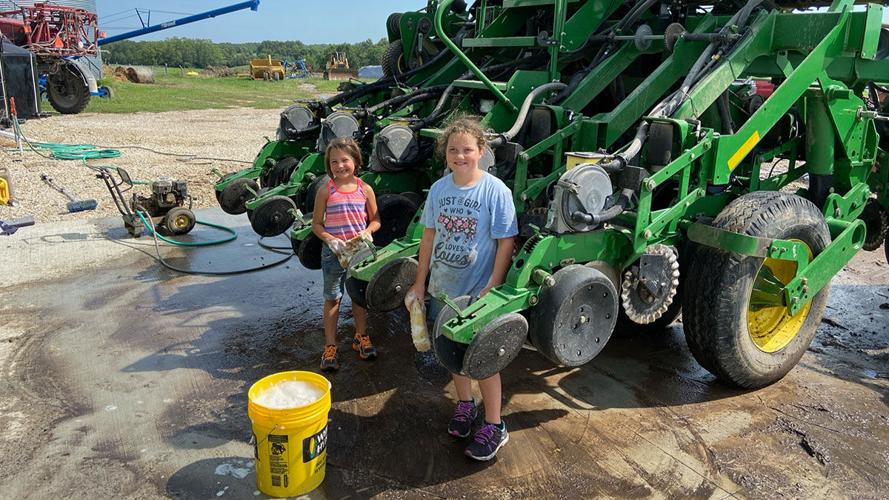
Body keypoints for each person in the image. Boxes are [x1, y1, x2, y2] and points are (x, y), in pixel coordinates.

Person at [408, 116, 518, 461]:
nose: (460, 156)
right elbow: (428, 236)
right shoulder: (440, 190)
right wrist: (419, 282)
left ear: (481, 151)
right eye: (453, 150)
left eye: (467, 149)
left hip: (478, 295)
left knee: (484, 360)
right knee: (451, 354)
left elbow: (505, 241)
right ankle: (465, 405)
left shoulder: (495, 191)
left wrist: (493, 286)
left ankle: (495, 424)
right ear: (445, 154)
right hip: (443, 290)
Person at [311, 137, 381, 371]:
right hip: (334, 252)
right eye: (334, 162)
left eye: (345, 160)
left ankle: (360, 336)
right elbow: (316, 225)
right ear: (328, 165)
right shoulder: (325, 190)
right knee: (333, 298)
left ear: (356, 161)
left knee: (359, 296)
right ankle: (330, 345)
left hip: (358, 251)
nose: (340, 166)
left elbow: (376, 219)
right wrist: (330, 240)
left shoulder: (365, 189)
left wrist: (369, 232)